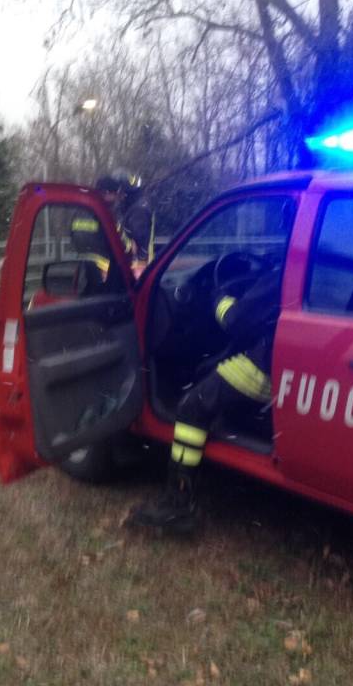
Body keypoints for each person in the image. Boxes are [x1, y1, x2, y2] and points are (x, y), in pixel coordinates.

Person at [128, 265, 282, 533]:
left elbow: (236, 320)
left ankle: (178, 505)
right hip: (288, 361)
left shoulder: (284, 269)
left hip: (269, 363)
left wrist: (218, 298)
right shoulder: (323, 260)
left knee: (192, 406)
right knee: (214, 372)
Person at [97, 172, 155, 274]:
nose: (116, 194)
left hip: (138, 265)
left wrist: (139, 262)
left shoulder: (138, 211)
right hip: (131, 264)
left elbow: (139, 242)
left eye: (118, 191)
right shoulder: (129, 206)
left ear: (125, 192)